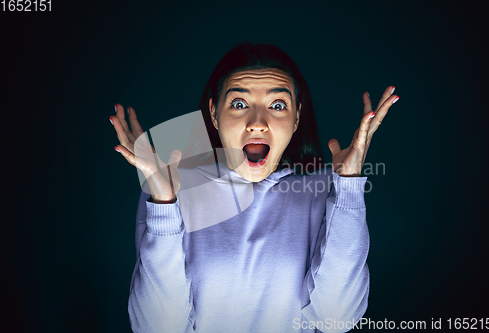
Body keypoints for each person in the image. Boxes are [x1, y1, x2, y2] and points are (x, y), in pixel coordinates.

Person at [110, 43, 399, 333]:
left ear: (296, 117)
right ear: (213, 114)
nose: (257, 123)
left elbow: (336, 319)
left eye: (277, 105)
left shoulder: (324, 191)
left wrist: (348, 188)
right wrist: (163, 203)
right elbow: (158, 328)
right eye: (239, 104)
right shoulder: (173, 188)